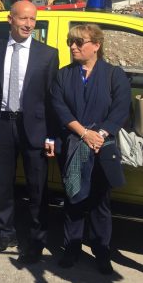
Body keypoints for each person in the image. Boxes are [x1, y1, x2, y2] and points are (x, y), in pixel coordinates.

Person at [0, 0, 58, 263]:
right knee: (3, 183)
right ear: (10, 19)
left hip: (35, 128)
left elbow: (52, 100)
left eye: (32, 19)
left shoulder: (47, 54)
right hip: (1, 125)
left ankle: (36, 239)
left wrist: (51, 135)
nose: (28, 24)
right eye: (23, 18)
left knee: (37, 187)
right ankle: (5, 233)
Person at [51, 24, 130, 275]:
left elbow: (120, 108)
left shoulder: (113, 74)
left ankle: (101, 251)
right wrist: (84, 133)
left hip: (101, 147)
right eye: (70, 42)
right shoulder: (63, 75)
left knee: (99, 201)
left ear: (96, 45)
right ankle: (71, 248)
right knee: (73, 197)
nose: (73, 47)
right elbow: (60, 107)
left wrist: (100, 135)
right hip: (73, 144)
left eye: (79, 42)